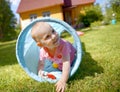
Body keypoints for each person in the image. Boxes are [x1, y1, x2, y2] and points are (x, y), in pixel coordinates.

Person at [31, 22, 76, 92]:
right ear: (40, 44)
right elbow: (41, 63)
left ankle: (74, 46)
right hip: (59, 60)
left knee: (69, 66)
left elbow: (66, 63)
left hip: (70, 57)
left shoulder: (64, 45)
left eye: (53, 31)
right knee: (54, 66)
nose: (54, 36)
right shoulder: (43, 51)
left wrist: (63, 81)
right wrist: (40, 72)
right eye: (47, 36)